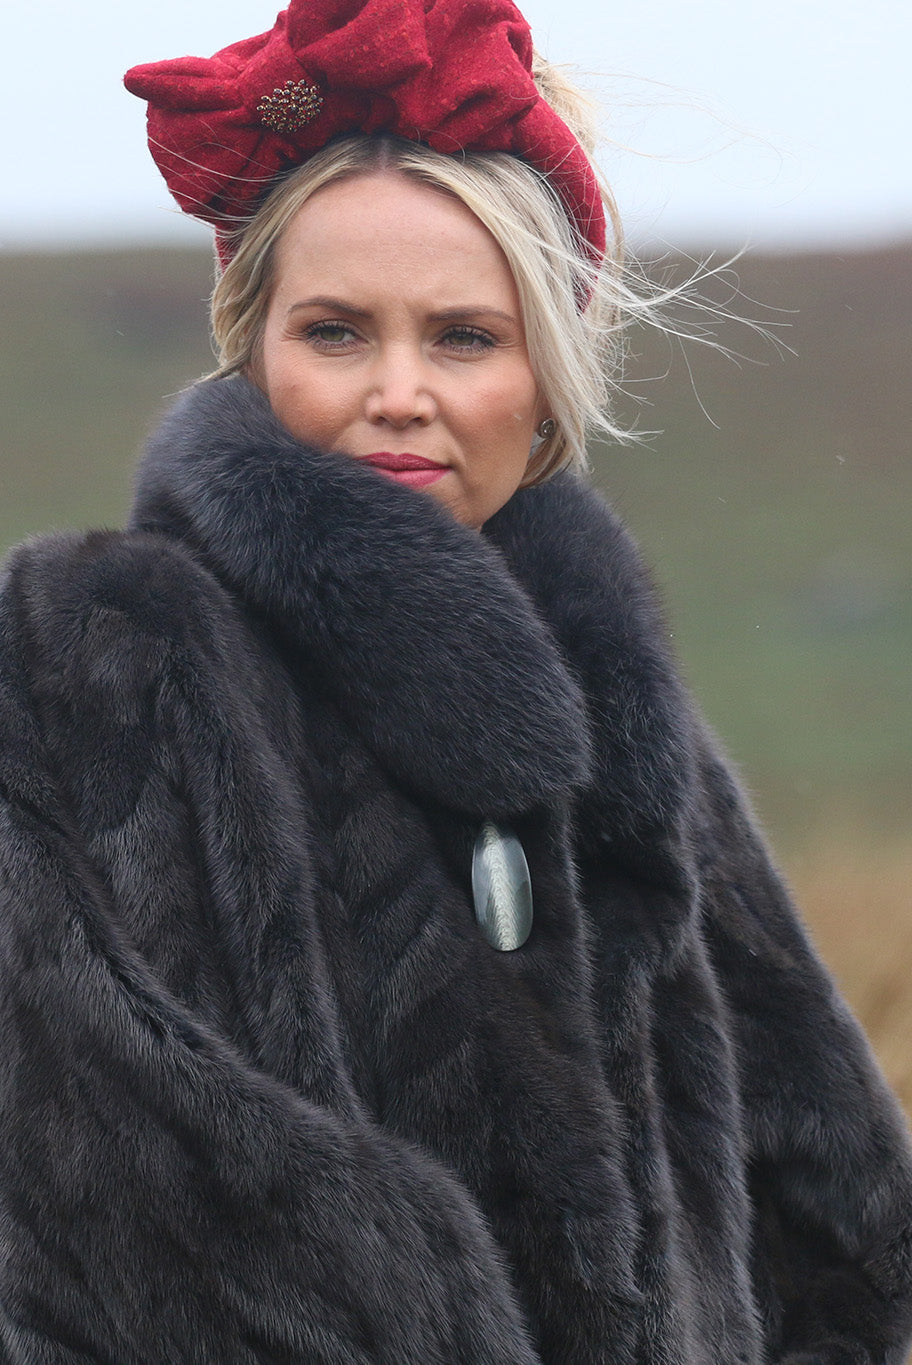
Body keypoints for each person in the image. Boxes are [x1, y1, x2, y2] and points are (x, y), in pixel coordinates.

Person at [1, 1, 910, 1361]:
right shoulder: (92, 655)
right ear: (251, 349)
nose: (402, 390)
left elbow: (845, 1223)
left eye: (466, 338)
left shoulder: (619, 711)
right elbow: (93, 1182)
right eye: (338, 331)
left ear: (545, 380)